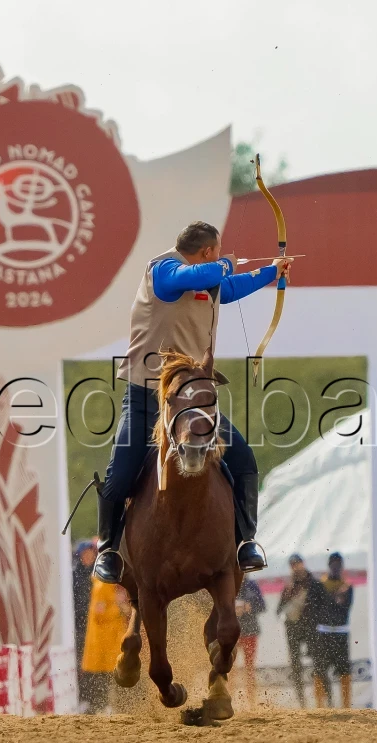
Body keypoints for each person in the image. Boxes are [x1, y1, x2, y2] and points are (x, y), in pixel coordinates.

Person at [90, 221, 294, 583]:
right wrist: (225, 264)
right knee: (119, 474)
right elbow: (196, 276)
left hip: (192, 401)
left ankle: (245, 542)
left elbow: (228, 288)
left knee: (244, 460)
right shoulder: (164, 270)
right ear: (207, 252)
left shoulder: (205, 278)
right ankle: (108, 550)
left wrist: (270, 272)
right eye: (217, 252)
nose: (220, 258)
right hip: (146, 396)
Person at [277, 554, 327, 707]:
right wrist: (289, 604)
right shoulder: (289, 586)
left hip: (312, 629)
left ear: (303, 564)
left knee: (319, 664)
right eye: (293, 564)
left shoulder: (315, 584)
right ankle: (302, 703)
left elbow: (325, 607)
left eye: (297, 563)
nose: (296, 566)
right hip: (293, 629)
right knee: (295, 665)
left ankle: (324, 701)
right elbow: (279, 610)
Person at [80, 578, 131, 713]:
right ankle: (98, 706)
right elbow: (99, 613)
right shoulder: (102, 586)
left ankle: (107, 705)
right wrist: (119, 609)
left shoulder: (111, 586)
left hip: (111, 639)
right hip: (102, 642)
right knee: (101, 676)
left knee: (110, 675)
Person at [313, 553, 354, 708]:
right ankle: (320, 706)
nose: (335, 567)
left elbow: (345, 608)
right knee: (319, 670)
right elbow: (315, 609)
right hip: (323, 633)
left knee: (344, 670)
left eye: (338, 563)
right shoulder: (320, 585)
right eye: (333, 563)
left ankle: (346, 706)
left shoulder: (348, 587)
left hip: (340, 633)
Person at [72, 540, 98, 706]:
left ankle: (95, 701)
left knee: (94, 665)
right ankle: (84, 699)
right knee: (81, 664)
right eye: (85, 553)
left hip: (96, 626)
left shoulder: (99, 573)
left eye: (91, 553)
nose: (88, 556)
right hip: (80, 626)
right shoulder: (75, 574)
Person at [235, 576, 267, 702]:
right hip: (232, 632)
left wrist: (251, 607)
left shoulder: (252, 585)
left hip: (250, 631)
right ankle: (228, 697)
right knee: (228, 667)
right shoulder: (228, 583)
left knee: (250, 667)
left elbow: (263, 606)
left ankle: (251, 699)